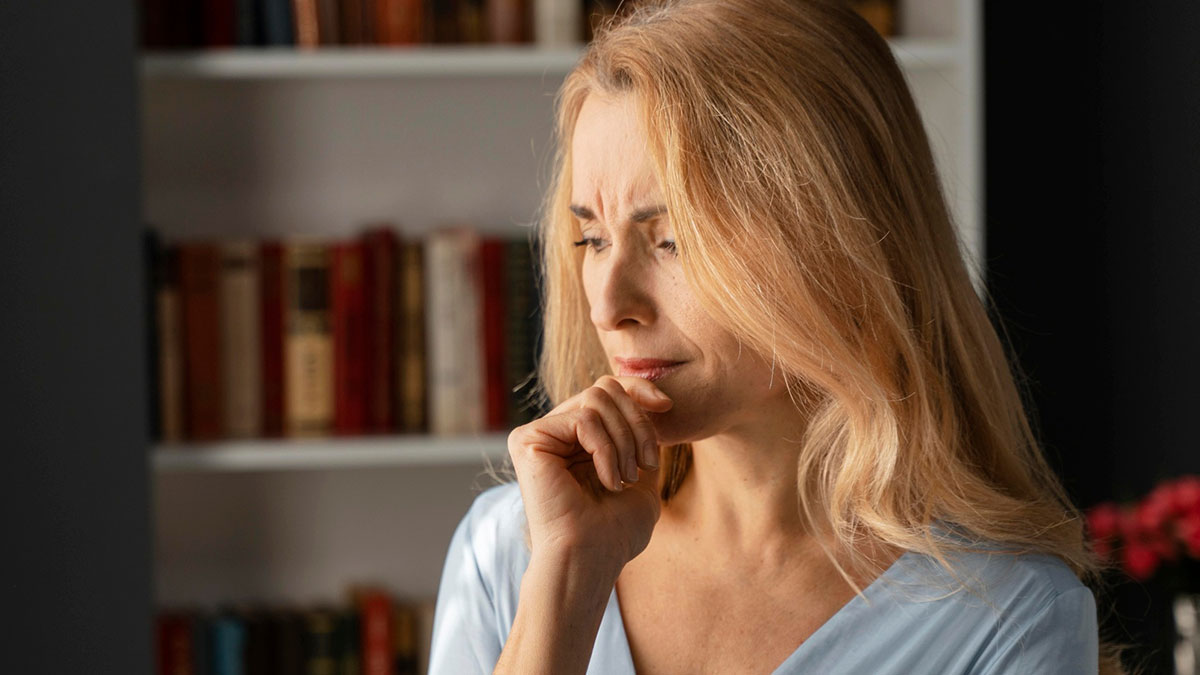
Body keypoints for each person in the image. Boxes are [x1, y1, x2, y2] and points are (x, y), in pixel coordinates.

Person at [428, 0, 1131, 672]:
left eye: (673, 241)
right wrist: (566, 587)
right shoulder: (513, 549)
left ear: (840, 245)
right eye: (590, 238)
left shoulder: (1009, 615)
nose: (609, 305)